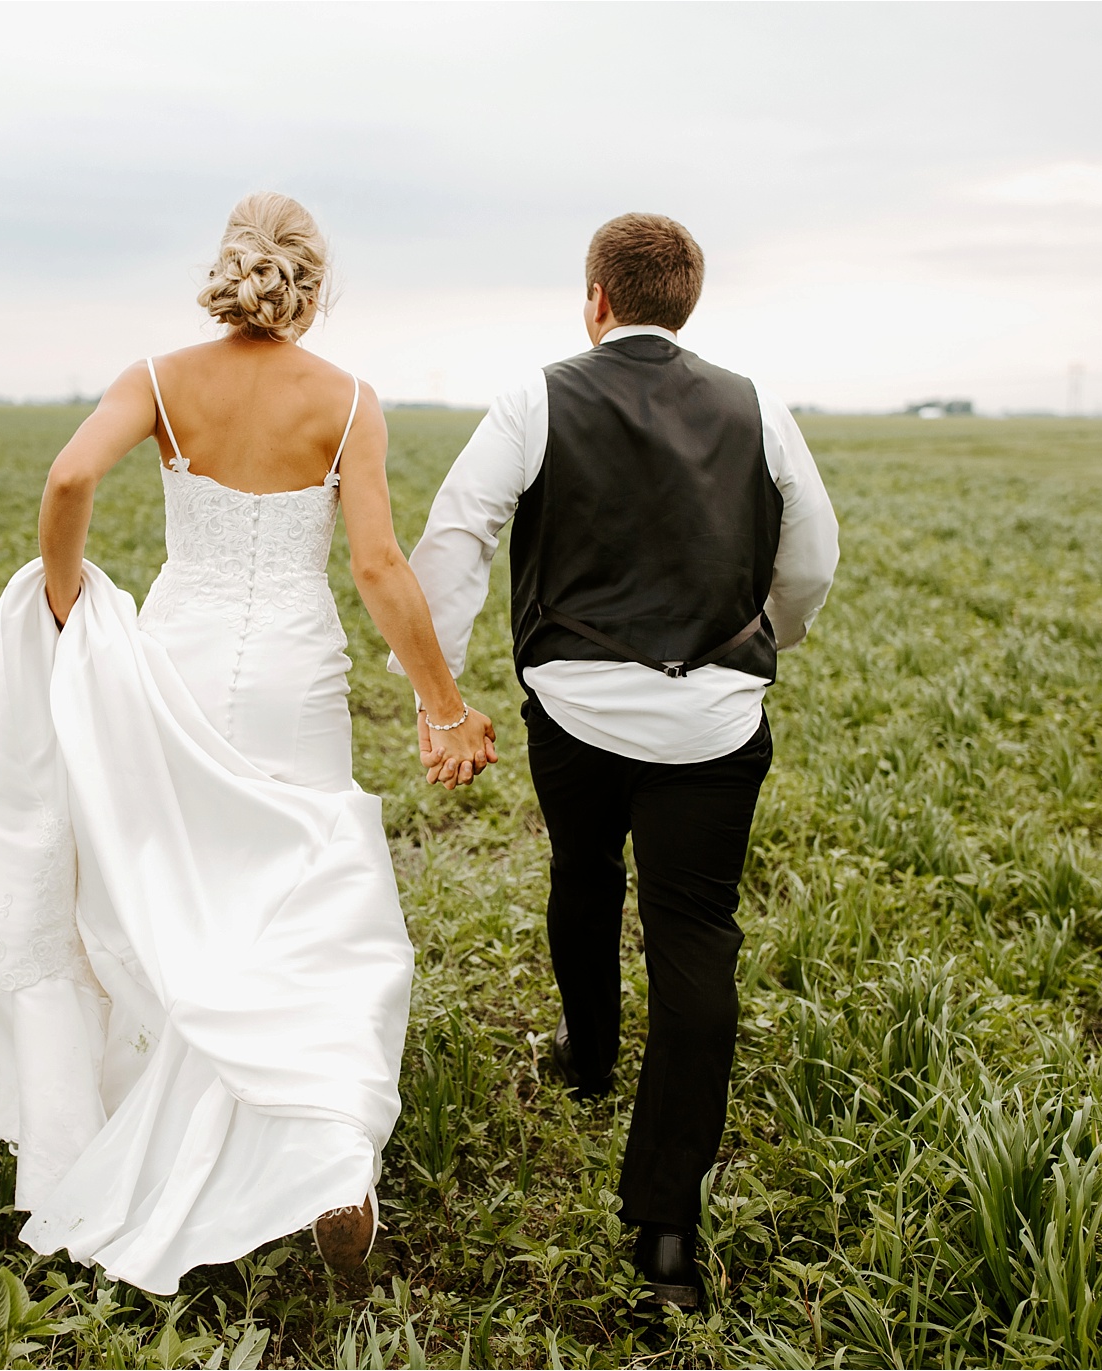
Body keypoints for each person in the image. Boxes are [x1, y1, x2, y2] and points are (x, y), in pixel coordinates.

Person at [0, 192, 494, 1296]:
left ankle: (167, 1125)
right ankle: (332, 1158)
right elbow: (379, 568)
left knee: (167, 891)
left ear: (231, 266)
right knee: (313, 901)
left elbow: (66, 480)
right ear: (315, 284)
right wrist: (443, 703)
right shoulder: (347, 403)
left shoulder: (159, 378)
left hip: (176, 663)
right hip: (296, 675)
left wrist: (63, 605)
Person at [393, 212, 839, 1307]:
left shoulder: (536, 397)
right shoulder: (757, 404)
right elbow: (814, 555)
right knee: (698, 936)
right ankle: (668, 1231)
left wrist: (435, 694)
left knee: (583, 875)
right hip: (720, 722)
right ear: (686, 303)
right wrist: (760, 641)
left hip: (575, 710)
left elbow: (455, 540)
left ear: (595, 298)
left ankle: (588, 1057)